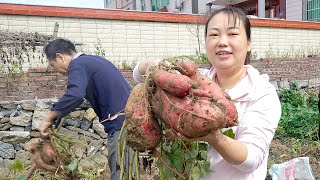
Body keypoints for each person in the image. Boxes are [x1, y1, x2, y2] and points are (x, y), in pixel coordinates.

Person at [133, 7, 281, 180]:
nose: (222, 42)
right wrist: (155, 65)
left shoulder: (261, 92)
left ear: (248, 43)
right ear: (205, 43)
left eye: (232, 34)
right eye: (214, 35)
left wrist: (215, 138)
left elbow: (251, 159)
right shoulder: (194, 77)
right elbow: (138, 76)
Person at [38, 38, 132, 180]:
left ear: (59, 57)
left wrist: (50, 115)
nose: (56, 71)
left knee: (122, 175)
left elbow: (75, 94)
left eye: (53, 65)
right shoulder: (92, 61)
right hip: (127, 122)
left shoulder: (77, 65)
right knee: (127, 171)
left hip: (121, 126)